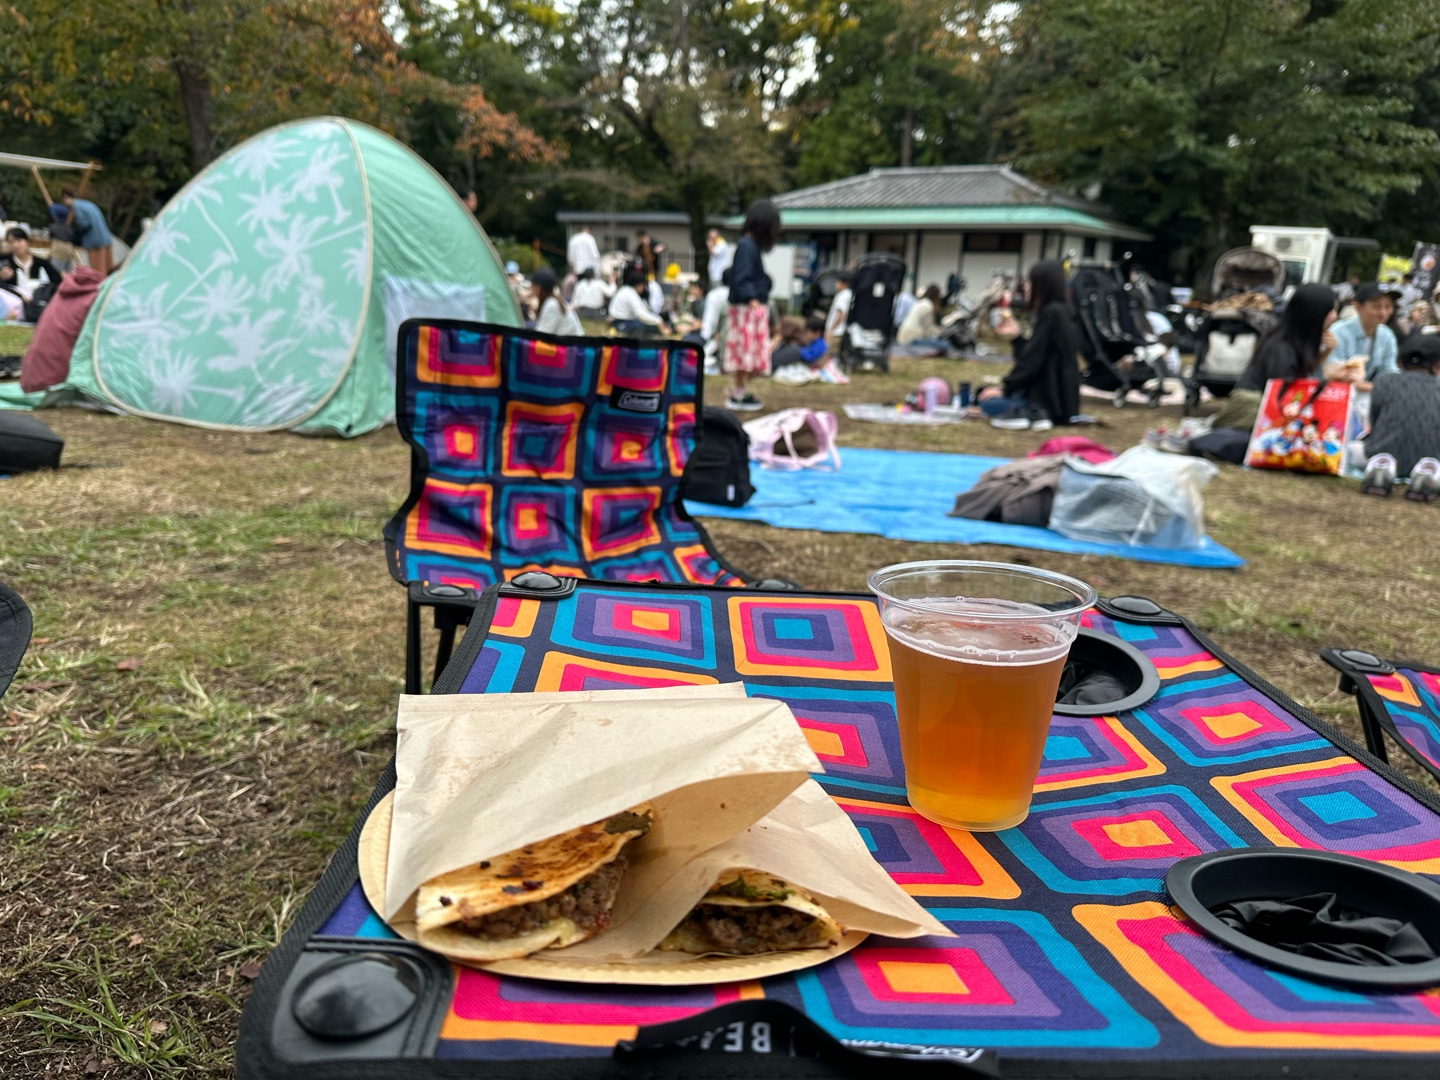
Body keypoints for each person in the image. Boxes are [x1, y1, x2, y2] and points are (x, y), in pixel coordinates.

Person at [1212, 283, 1338, 433]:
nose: (1334, 316)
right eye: (1330, 311)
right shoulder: (1282, 349)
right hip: (1253, 422)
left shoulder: (1294, 341)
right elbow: (1289, 396)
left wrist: (1326, 353)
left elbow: (1304, 380)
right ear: (1315, 314)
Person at [983, 261, 1083, 431]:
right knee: (987, 396)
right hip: (1063, 402)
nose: (1027, 287)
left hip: (1046, 402)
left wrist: (1005, 390)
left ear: (1042, 285)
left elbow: (1031, 362)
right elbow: (1036, 356)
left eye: (1031, 282)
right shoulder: (1063, 312)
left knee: (987, 403)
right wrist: (1016, 337)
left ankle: (1028, 415)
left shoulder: (1050, 314)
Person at [1359, 334, 1440, 487]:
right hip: (1431, 460)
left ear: (1399, 362)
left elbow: (1374, 422)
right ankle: (1428, 473)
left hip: (1380, 454)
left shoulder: (1384, 380)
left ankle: (1381, 468)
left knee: (1352, 448)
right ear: (1437, 366)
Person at [724, 199, 779, 411]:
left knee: (748, 354)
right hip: (747, 309)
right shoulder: (747, 247)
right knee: (744, 354)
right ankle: (738, 393)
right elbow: (741, 278)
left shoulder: (748, 245)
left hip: (748, 308)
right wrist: (752, 298)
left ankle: (740, 390)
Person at [1327, 282, 1398, 392]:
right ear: (1357, 307)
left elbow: (1390, 371)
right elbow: (1332, 374)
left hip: (1369, 395)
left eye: (1388, 306)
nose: (1383, 312)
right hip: (1336, 393)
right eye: (1376, 307)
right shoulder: (1338, 332)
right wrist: (1376, 388)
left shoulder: (1387, 335)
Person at [61, 186, 113, 276]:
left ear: (65, 197)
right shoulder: (88, 204)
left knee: (97, 272)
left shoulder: (76, 206)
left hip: (95, 241)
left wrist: (74, 233)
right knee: (109, 269)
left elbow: (84, 224)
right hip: (105, 237)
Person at [0, 227, 61, 303]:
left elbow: (57, 282)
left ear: (27, 241)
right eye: (11, 242)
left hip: (39, 303)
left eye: (19, 240)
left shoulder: (41, 263)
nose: (16, 245)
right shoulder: (4, 261)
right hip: (14, 304)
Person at [608, 261, 668, 337]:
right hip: (621, 323)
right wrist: (658, 320)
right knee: (648, 327)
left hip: (619, 321)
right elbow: (641, 314)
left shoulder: (625, 290)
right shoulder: (630, 293)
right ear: (639, 285)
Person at [531, 267, 583, 336]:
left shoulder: (551, 305)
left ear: (538, 288)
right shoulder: (554, 301)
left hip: (569, 342)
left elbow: (541, 335)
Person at [896, 284, 948, 351]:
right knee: (945, 345)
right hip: (912, 339)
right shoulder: (927, 306)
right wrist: (942, 331)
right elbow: (928, 329)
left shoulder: (921, 302)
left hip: (903, 336)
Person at [824, 270, 853, 353]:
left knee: (829, 354)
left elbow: (841, 314)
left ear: (844, 283)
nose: (835, 284)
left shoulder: (842, 296)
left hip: (836, 332)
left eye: (838, 282)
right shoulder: (849, 294)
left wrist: (831, 329)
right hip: (841, 331)